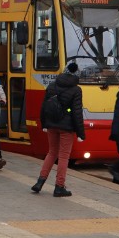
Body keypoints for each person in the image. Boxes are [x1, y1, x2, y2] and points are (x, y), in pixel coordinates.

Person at [31, 62, 85, 196]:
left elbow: (44, 107)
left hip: (51, 125)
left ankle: (40, 182)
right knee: (63, 156)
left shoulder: (52, 85)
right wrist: (80, 133)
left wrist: (44, 124)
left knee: (51, 153)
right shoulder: (76, 90)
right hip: (66, 127)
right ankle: (59, 186)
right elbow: (76, 112)